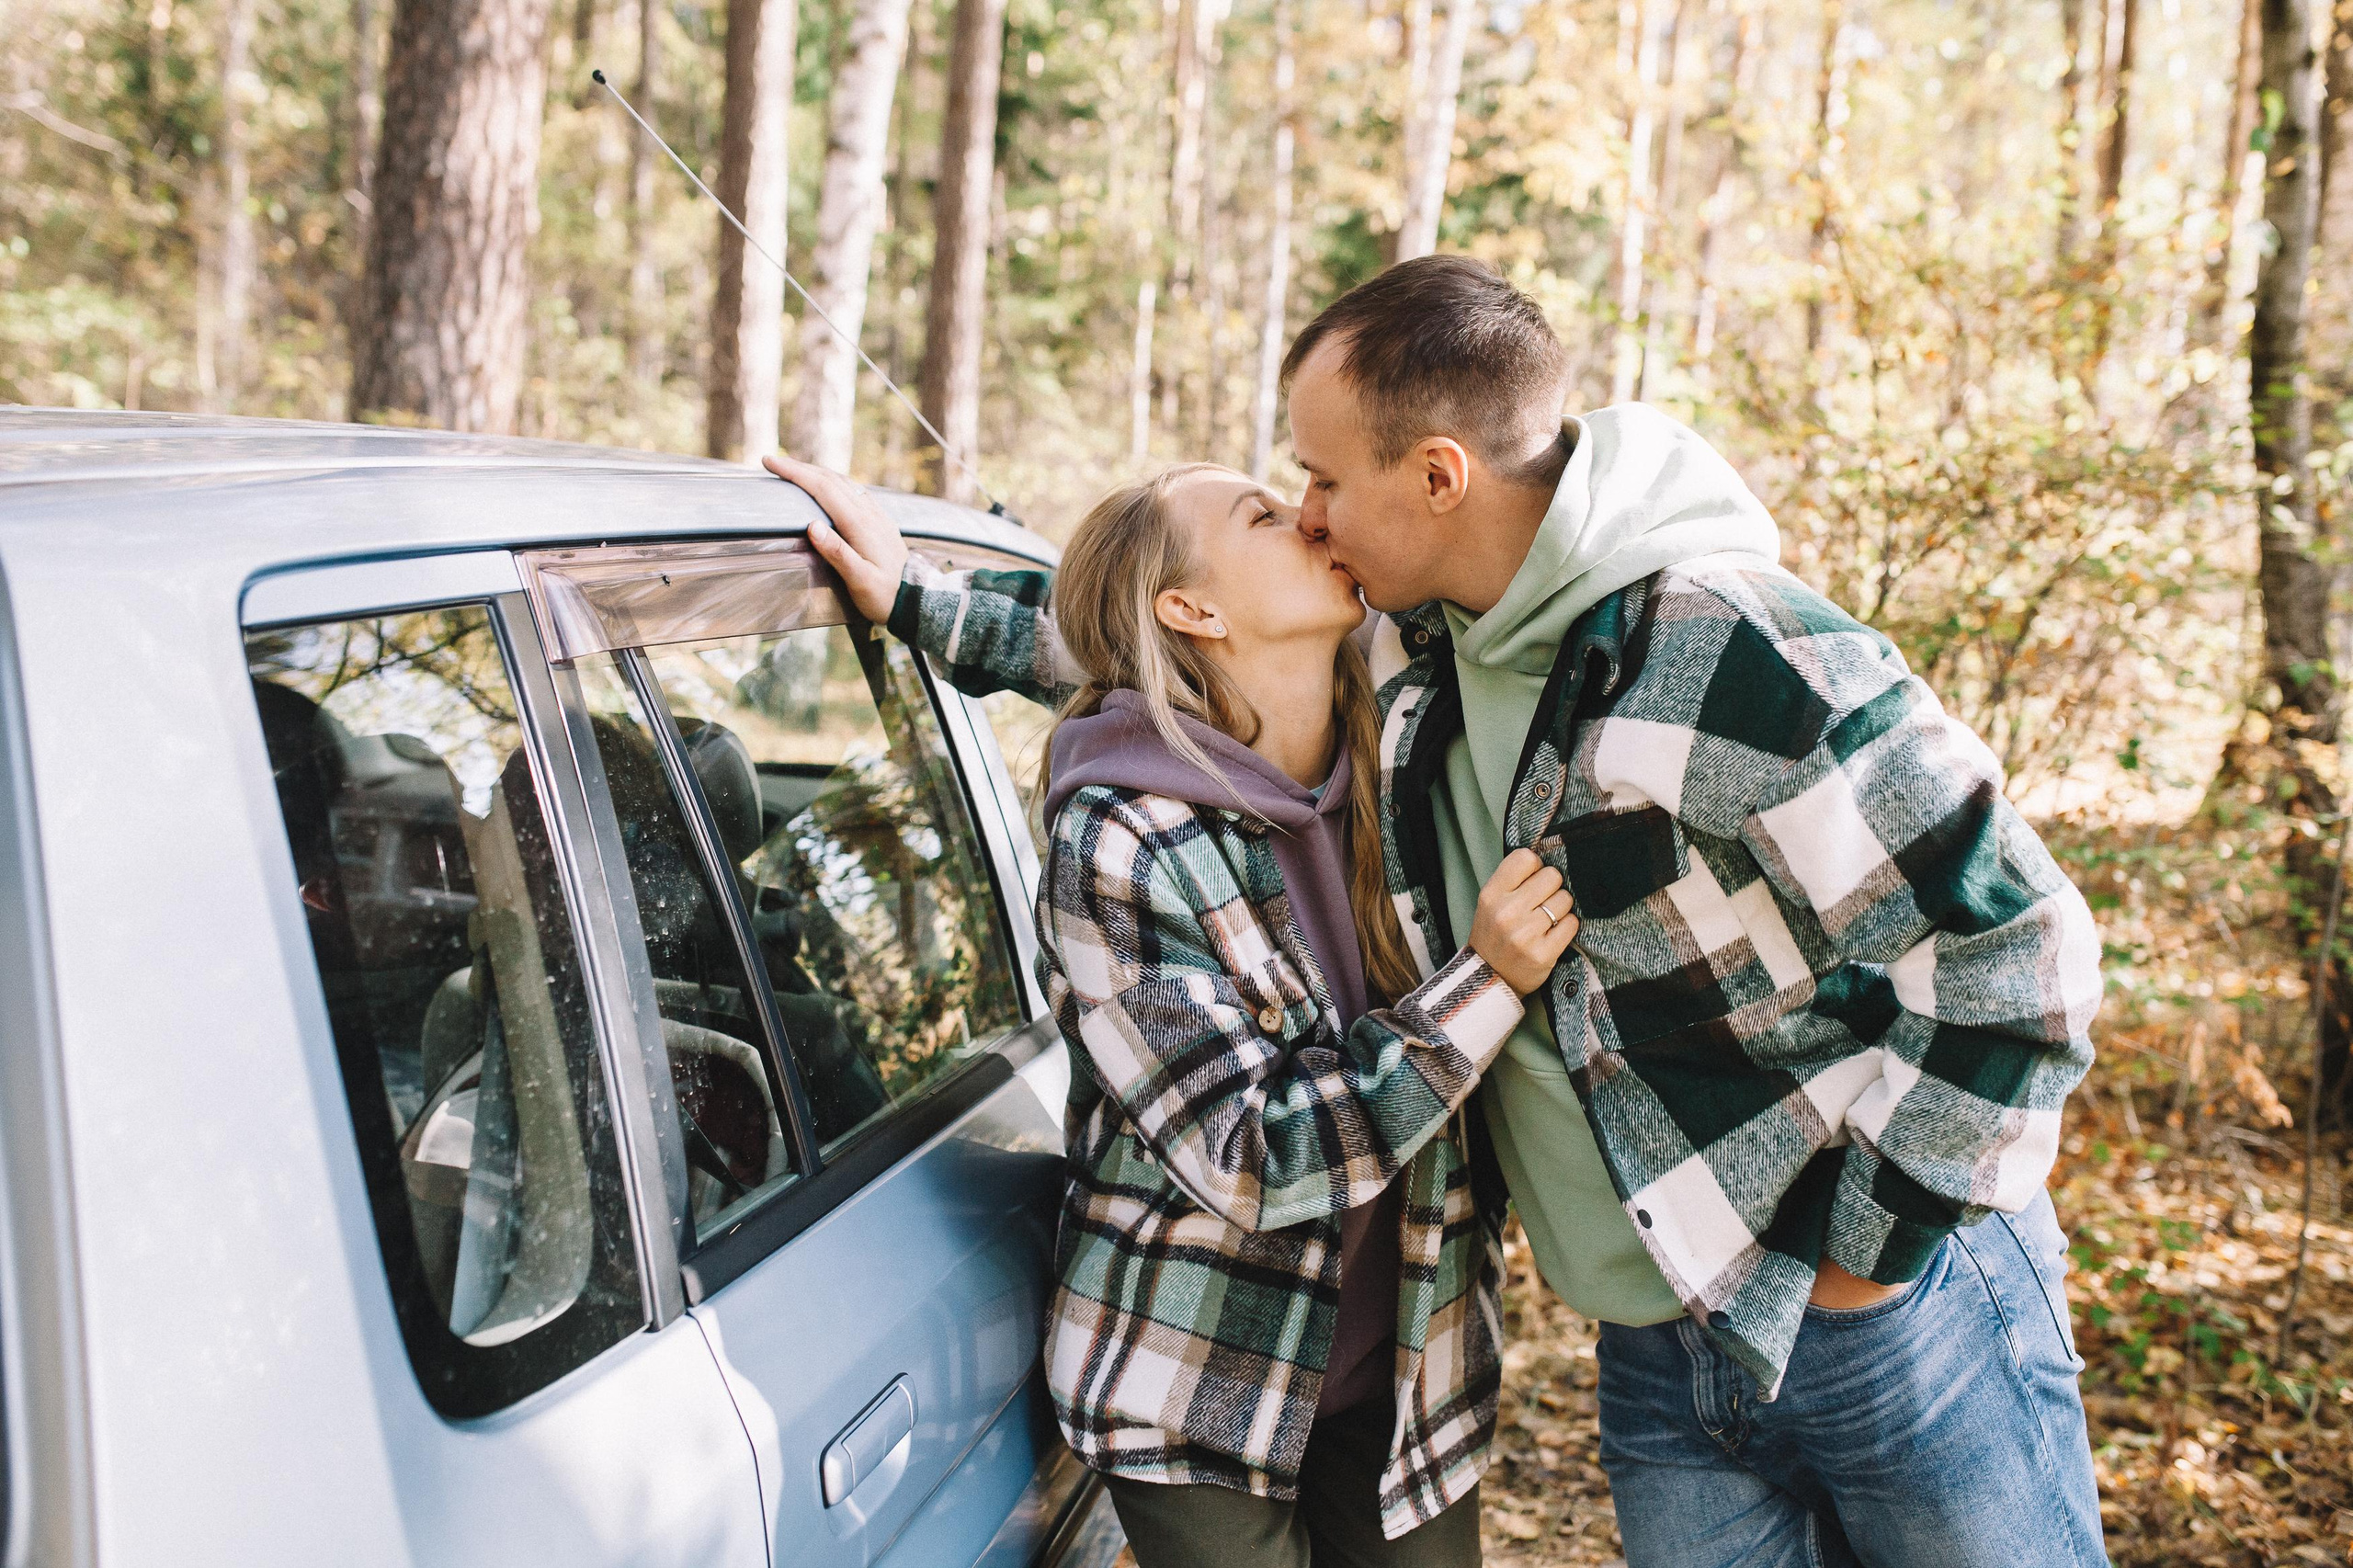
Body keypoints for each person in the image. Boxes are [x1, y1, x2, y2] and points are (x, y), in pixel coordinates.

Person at [771, 253, 2109, 1568]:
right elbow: (1160, 635)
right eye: (1287, 493)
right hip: (1651, 1336)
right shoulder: (1427, 640)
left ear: (1436, 477)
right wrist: (920, 604)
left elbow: (2017, 946)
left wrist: (1866, 1263)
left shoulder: (1716, 645)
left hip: (1869, 1307)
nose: (1307, 516)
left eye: (1322, 481)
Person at [800, 456, 1578, 1564]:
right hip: (1197, 1376)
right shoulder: (1117, 842)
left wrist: (924, 601)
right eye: (1265, 513)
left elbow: (1086, 635)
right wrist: (1484, 984)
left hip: (1415, 1355)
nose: (1313, 514)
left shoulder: (1399, 740)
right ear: (1192, 608)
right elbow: (1252, 1152)